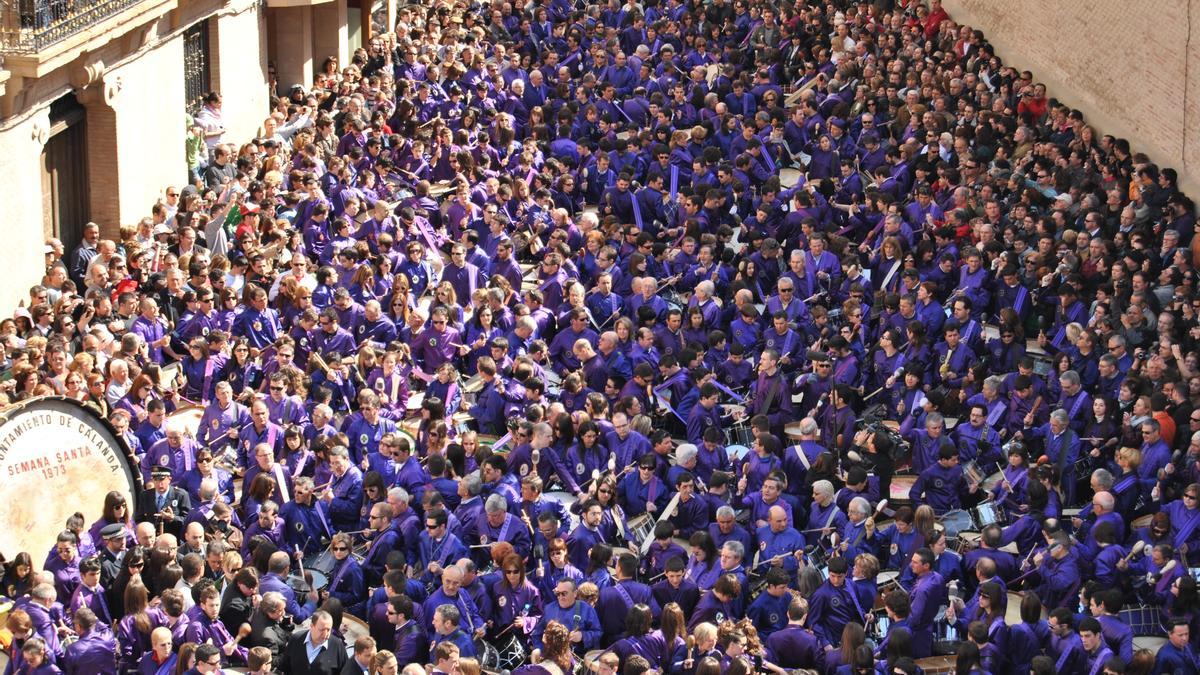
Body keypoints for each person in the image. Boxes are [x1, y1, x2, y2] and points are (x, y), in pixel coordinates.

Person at [280, 610, 347, 675]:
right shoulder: (296, 639)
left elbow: (345, 671)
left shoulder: (337, 646)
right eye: (322, 630)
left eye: (328, 630)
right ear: (312, 626)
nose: (325, 634)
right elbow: (286, 667)